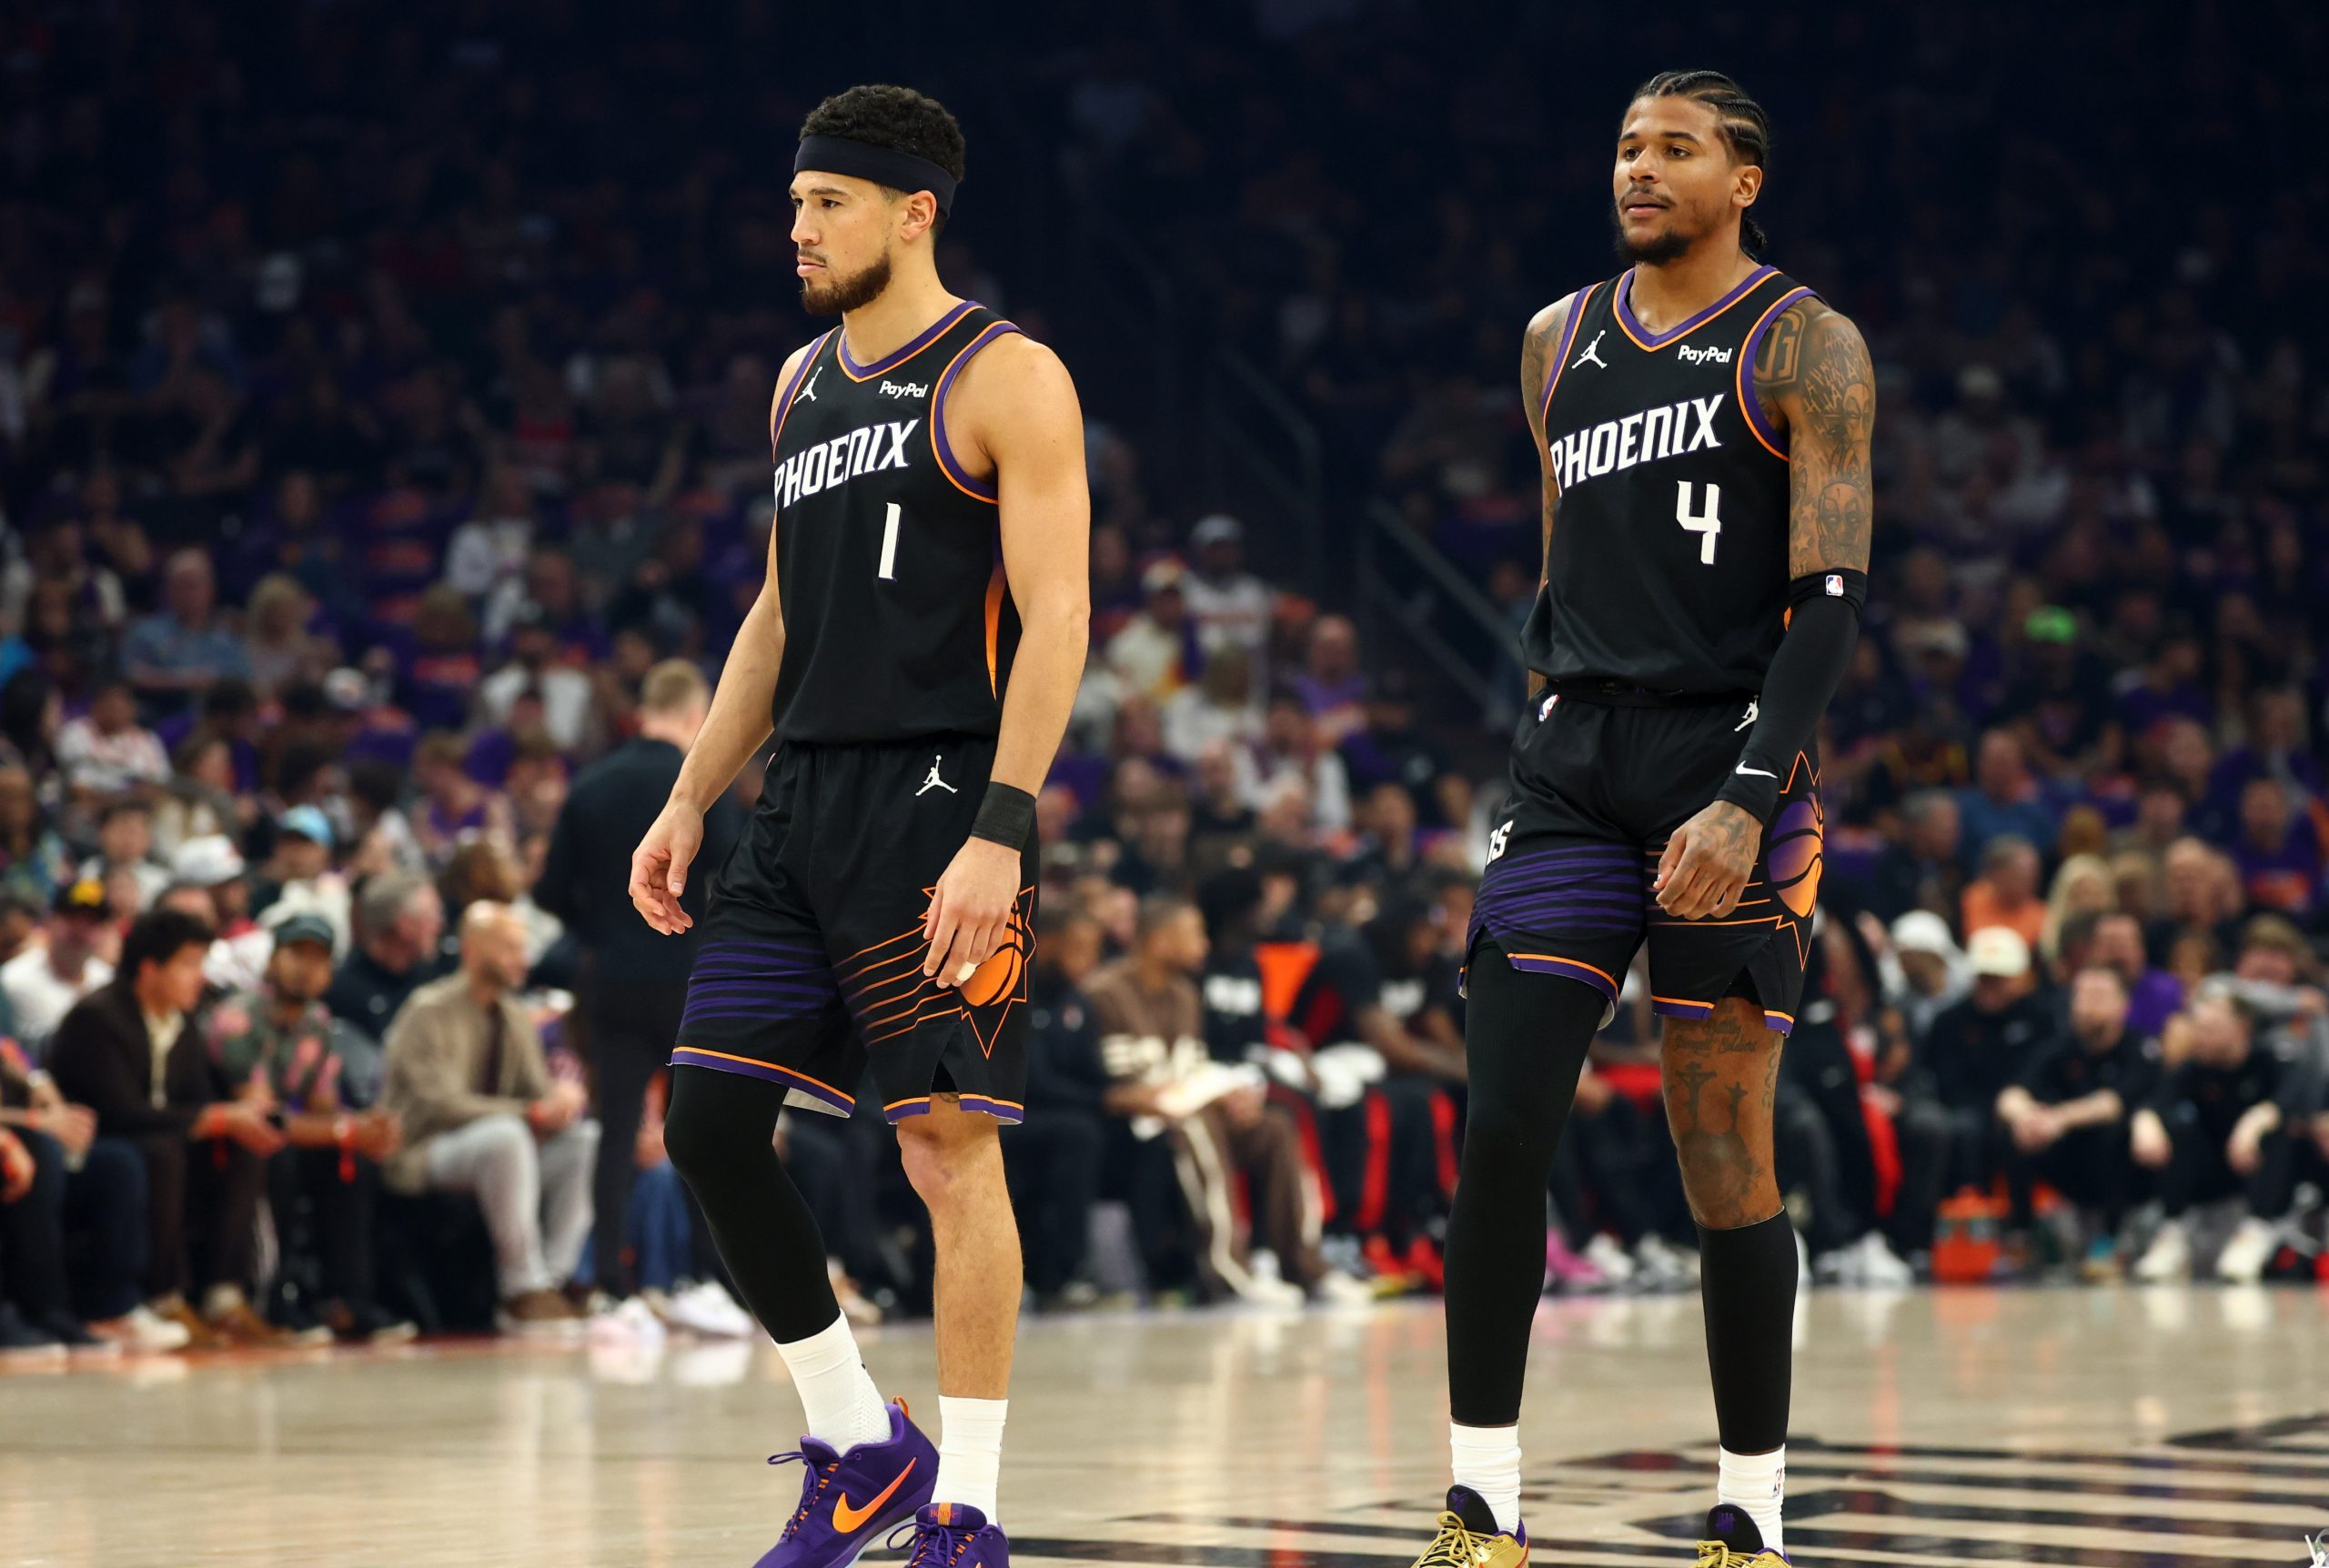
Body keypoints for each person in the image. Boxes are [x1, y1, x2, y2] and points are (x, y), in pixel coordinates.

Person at [630, 85, 1088, 1568]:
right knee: (706, 1120)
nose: (798, 228)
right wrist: (692, 791)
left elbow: (1061, 611)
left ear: (913, 211)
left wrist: (1004, 827)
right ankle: (857, 1439)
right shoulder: (796, 385)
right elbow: (774, 611)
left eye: (825, 202)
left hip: (944, 798)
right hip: (799, 805)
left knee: (950, 1152)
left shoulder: (1007, 374)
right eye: (793, 204)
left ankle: (969, 1501)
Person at [1425, 72, 1873, 1567]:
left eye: (1674, 148)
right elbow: (1567, 567)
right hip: (1569, 769)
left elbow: (1828, 603)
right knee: (1501, 1122)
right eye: (1625, 144)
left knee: (1722, 1153)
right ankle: (1482, 1502)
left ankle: (1750, 1510)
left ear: (1744, 175)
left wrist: (1751, 794)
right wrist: (1545, 732)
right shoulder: (1559, 341)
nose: (1639, 169)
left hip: (1726, 761)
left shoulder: (1807, 343)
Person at [537, 658, 747, 1334]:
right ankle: (702, 1280)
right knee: (702, 1132)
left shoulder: (590, 786)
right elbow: (736, 872)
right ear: (694, 717)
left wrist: (604, 926)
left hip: (611, 983)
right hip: (687, 980)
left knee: (617, 1133)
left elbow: (548, 893)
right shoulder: (698, 788)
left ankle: (609, 1287)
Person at [1083, 895, 1353, 1305]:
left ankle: (1306, 1268)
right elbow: (1116, 1084)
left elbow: (1190, 1069)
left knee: (1275, 1126)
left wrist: (1228, 1094)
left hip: (1185, 1108)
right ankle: (1230, 1273)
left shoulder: (1187, 994)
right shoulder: (1104, 993)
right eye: (1193, 934)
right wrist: (1186, 1097)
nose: (1204, 944)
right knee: (1197, 1127)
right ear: (1157, 941)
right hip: (1132, 1122)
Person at [45, 908, 296, 1347]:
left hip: (163, 1147)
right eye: (189, 965)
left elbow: (199, 1099)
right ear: (149, 967)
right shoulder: (97, 1018)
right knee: (163, 1151)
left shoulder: (183, 1026)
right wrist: (215, 1117)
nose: (199, 978)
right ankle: (162, 1297)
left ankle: (224, 1296)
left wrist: (241, 1111)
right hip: (95, 1148)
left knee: (243, 1145)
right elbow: (118, 1113)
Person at [379, 901, 596, 1332]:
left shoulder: (514, 1015)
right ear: (475, 952)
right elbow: (440, 1104)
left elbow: (537, 1094)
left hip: (496, 1151)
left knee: (584, 1140)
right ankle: (520, 1289)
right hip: (423, 1149)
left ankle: (549, 1283)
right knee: (506, 1135)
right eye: (512, 949)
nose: (525, 960)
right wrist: (529, 1112)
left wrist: (561, 1100)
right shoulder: (428, 1009)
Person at [202, 914, 414, 1342]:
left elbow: (323, 1107)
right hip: (226, 1146)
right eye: (296, 954)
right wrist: (346, 1130)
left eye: (319, 960)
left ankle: (346, 1301)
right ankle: (273, 1301)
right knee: (280, 1157)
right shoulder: (237, 1019)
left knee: (349, 1163)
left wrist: (363, 1127)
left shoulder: (316, 1022)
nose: (306, 967)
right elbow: (264, 1118)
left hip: (280, 1138)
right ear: (272, 960)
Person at [1994, 965, 2158, 1258]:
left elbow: (2113, 1103)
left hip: (2127, 1169)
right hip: (2070, 1162)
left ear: (2123, 1005)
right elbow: (2012, 1093)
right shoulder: (2058, 1047)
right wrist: (2026, 1117)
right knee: (2016, 1134)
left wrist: (2059, 1119)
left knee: (2110, 1132)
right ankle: (2022, 1233)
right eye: (2081, 996)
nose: (2088, 1005)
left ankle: (2112, 1237)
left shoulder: (2140, 1049)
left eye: (2099, 996)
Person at [325, 870, 448, 1040]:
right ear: (405, 925)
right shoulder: (344, 993)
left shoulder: (433, 980)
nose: (440, 926)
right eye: (432, 916)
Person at [0, 877, 116, 1052]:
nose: (81, 930)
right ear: (49, 920)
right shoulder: (13, 979)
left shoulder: (110, 981)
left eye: (92, 922)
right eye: (72, 917)